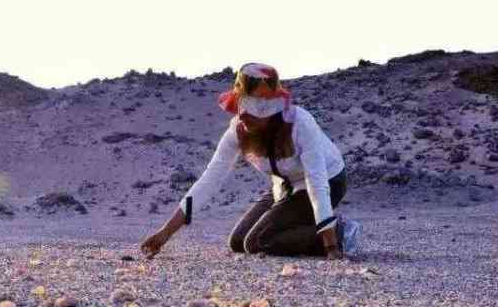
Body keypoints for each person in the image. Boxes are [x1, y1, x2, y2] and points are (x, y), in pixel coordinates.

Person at [141, 62, 361, 260]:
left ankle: (340, 231)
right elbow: (209, 180)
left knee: (258, 241)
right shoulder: (238, 130)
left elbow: (317, 181)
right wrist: (165, 233)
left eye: (254, 108)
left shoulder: (300, 123)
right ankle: (306, 223)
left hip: (328, 182)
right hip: (284, 186)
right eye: (241, 105)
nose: (243, 114)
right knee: (238, 242)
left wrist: (331, 245)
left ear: (271, 112)